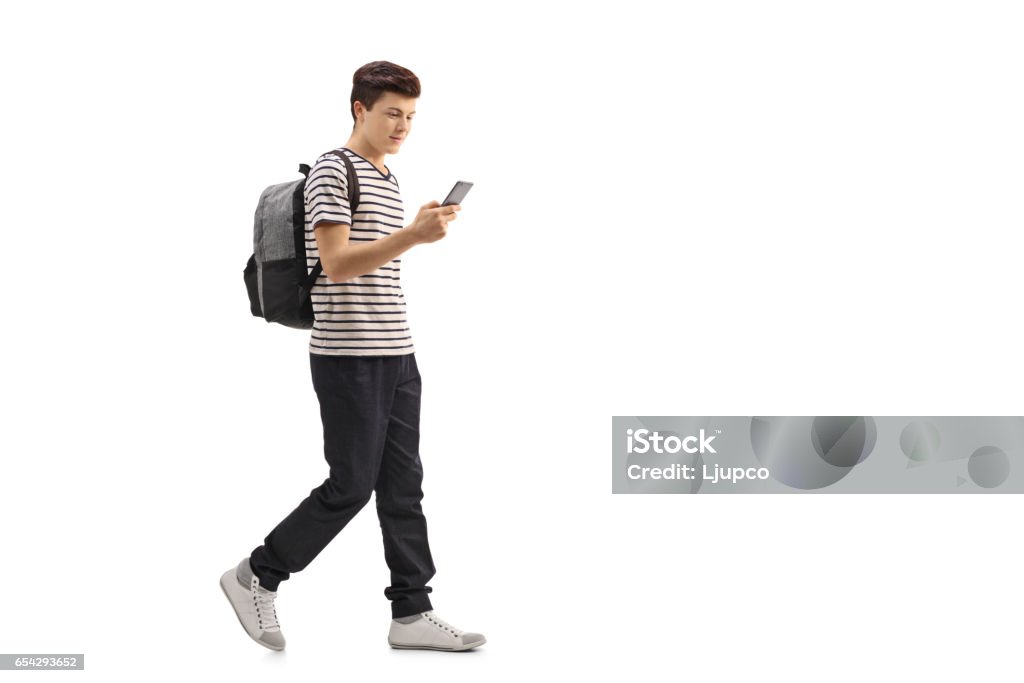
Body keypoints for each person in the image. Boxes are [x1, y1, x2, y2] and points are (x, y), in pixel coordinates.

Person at [220, 60, 485, 653]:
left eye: (411, 116)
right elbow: (338, 263)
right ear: (359, 109)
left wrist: (412, 229)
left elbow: (376, 261)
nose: (402, 126)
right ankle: (255, 574)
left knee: (403, 485)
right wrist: (413, 237)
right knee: (350, 486)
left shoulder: (385, 176)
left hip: (397, 349)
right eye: (392, 113)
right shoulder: (333, 173)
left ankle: (411, 613)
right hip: (347, 354)